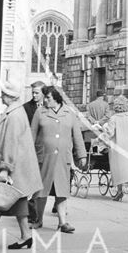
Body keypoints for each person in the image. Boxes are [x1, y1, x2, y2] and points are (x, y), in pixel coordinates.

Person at [0, 81, 43, 249]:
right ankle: (26, 235)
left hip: (14, 168)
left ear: (9, 97)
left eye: (3, 94)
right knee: (17, 201)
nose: (1, 96)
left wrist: (4, 169)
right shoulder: (17, 111)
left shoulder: (13, 115)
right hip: (20, 168)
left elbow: (10, 143)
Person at [31, 85, 87, 232]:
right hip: (44, 157)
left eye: (48, 97)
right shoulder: (40, 112)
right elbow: (31, 135)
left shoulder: (69, 113)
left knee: (62, 190)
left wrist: (81, 155)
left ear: (56, 97)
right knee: (41, 191)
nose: (45, 100)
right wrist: (28, 155)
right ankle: (38, 219)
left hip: (63, 158)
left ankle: (63, 223)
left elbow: (77, 136)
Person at [100, 95, 128, 203]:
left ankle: (120, 192)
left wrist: (100, 139)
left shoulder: (114, 118)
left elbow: (109, 133)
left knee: (118, 170)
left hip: (119, 148)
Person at [22, 81, 45, 223]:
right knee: (31, 181)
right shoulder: (26, 108)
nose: (34, 95)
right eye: (33, 92)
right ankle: (32, 213)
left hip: (44, 149)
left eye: (37, 92)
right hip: (31, 148)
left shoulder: (49, 107)